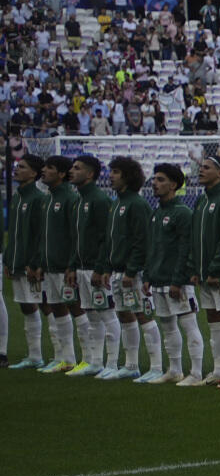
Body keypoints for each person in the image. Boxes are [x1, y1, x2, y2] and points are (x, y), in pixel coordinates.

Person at [184, 152, 220, 387]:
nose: (201, 170)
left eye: (207, 167)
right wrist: (195, 267)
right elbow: (195, 238)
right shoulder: (201, 200)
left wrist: (217, 268)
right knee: (213, 319)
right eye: (201, 166)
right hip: (205, 273)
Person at [140, 163, 202, 385]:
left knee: (189, 324)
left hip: (178, 282)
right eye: (154, 179)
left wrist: (179, 279)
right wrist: (147, 276)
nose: (155, 184)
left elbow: (187, 249)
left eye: (160, 180)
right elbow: (152, 247)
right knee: (167, 325)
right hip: (158, 280)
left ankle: (196, 373)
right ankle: (174, 369)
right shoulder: (157, 212)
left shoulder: (182, 213)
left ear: (174, 185)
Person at [101, 157, 152, 381]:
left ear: (128, 176)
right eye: (111, 171)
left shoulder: (137, 204)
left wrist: (132, 270)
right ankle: (131, 364)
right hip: (117, 271)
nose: (111, 176)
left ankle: (157, 366)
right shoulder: (116, 203)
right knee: (124, 315)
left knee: (143, 315)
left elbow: (142, 241)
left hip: (134, 273)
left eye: (116, 172)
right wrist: (107, 268)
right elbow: (110, 240)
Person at [64, 153, 114, 377]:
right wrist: (73, 265)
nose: (71, 171)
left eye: (77, 168)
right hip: (82, 267)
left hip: (96, 267)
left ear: (90, 174)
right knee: (92, 315)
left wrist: (101, 267)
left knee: (107, 314)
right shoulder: (79, 200)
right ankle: (95, 361)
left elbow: (106, 237)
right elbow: (76, 238)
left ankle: (112, 364)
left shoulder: (100, 200)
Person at [5, 152, 53, 370]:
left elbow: (41, 236)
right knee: (26, 306)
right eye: (17, 165)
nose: (16, 169)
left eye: (22, 167)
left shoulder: (38, 199)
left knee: (46, 304)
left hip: (31, 265)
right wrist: (8, 259)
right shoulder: (17, 197)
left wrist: (35, 262)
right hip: (16, 261)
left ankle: (61, 354)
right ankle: (34, 355)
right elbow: (14, 233)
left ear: (34, 173)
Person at [38, 154, 79, 374]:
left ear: (61, 174)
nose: (43, 170)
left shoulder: (70, 199)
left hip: (65, 266)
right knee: (56, 308)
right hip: (49, 266)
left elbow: (75, 235)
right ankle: (66, 358)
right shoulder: (47, 199)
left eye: (50, 167)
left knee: (77, 308)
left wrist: (71, 264)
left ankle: (90, 359)